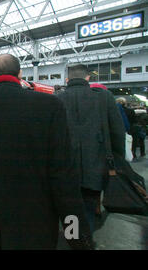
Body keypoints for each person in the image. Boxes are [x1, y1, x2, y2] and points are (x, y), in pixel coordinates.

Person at [0, 54, 92, 250]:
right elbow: (63, 175)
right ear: (20, 74)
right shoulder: (51, 105)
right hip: (36, 223)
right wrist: (76, 235)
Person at [57, 64, 125, 234]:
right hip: (96, 163)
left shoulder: (57, 98)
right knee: (89, 205)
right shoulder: (104, 97)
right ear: (88, 78)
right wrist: (118, 159)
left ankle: (73, 236)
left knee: (70, 207)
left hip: (65, 166)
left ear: (68, 79)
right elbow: (117, 131)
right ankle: (85, 238)